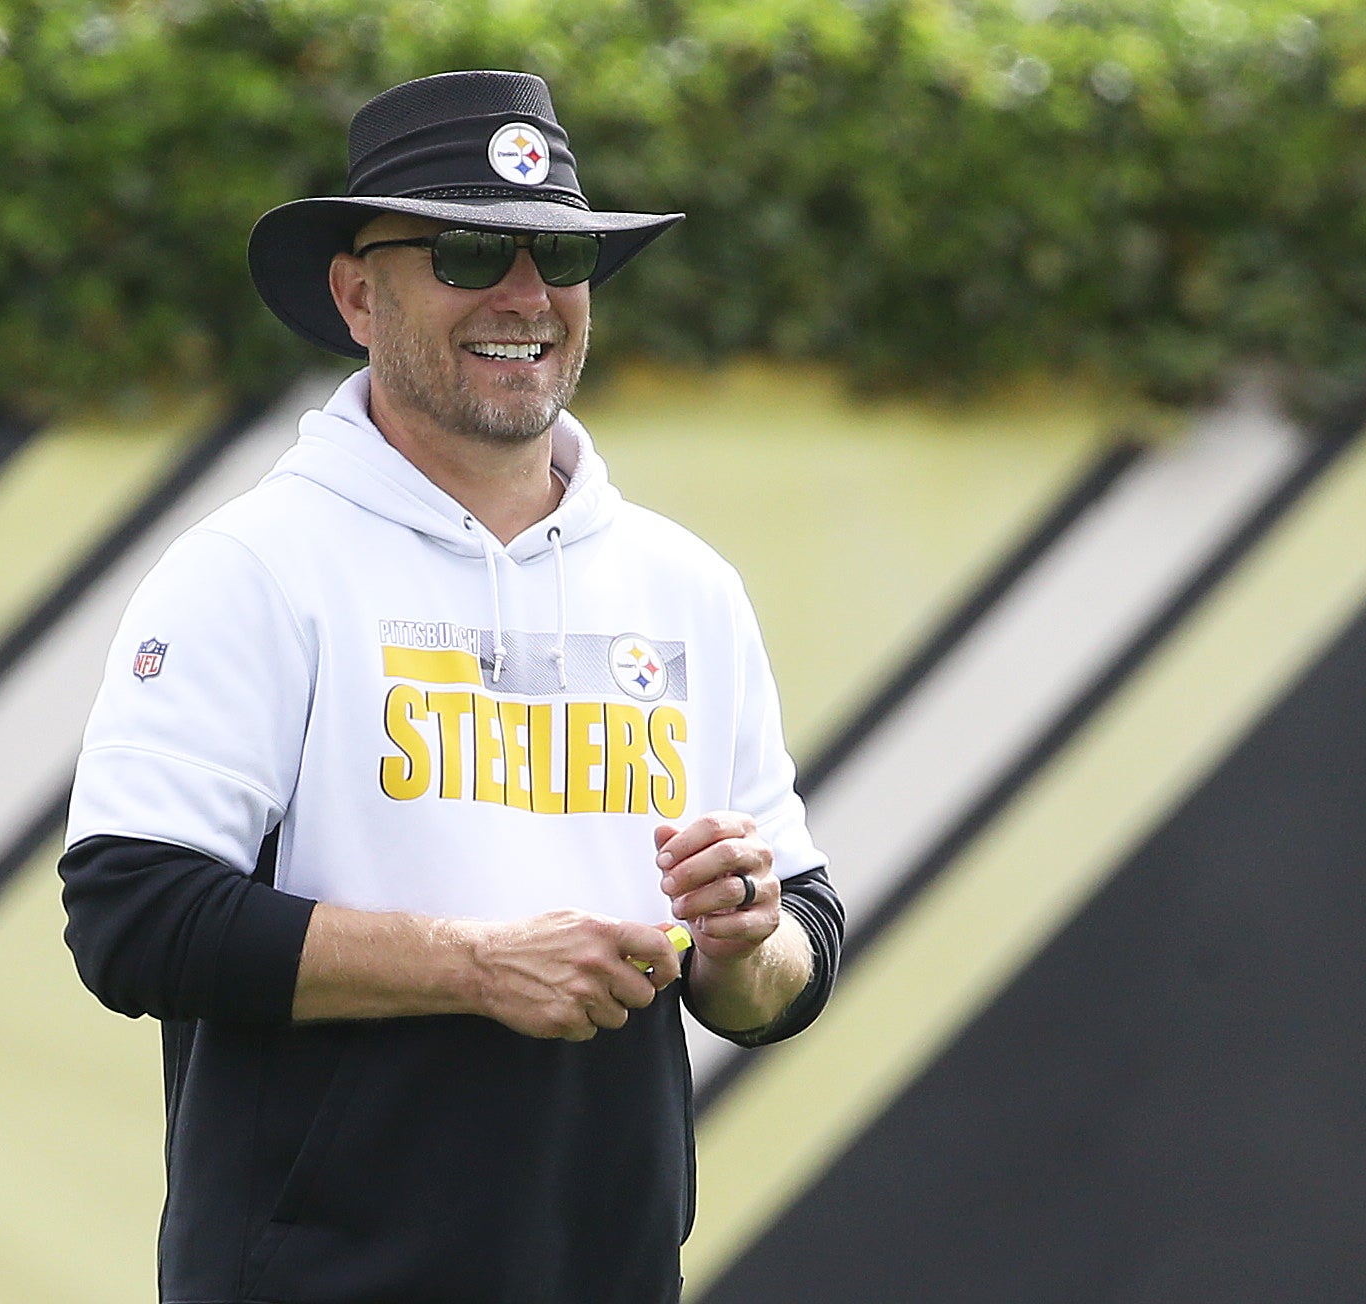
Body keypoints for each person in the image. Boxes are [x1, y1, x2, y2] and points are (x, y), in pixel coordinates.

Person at [59, 69, 842, 1304]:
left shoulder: (682, 583)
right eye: (471, 249)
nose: (526, 294)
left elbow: (788, 949)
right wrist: (476, 963)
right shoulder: (254, 565)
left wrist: (749, 943)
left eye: (560, 254)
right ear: (358, 293)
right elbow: (132, 916)